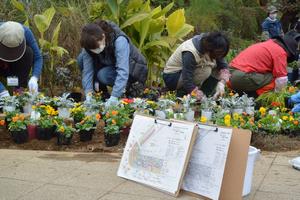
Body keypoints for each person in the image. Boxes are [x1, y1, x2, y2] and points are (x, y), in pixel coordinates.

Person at [77, 20, 147, 107]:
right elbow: (87, 71)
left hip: (132, 71)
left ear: (103, 36)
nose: (96, 51)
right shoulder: (89, 44)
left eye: (97, 47)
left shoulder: (119, 40)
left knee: (103, 75)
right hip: (110, 64)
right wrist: (88, 94)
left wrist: (114, 96)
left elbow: (122, 70)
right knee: (81, 59)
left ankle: (127, 88)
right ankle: (102, 92)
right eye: (93, 49)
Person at [229, 31, 300, 97]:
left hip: (229, 76)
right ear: (288, 51)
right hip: (241, 77)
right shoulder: (280, 52)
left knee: (268, 74)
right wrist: (280, 96)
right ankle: (257, 97)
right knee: (276, 77)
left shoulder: (268, 44)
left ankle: (241, 93)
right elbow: (281, 79)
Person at [163, 32, 230, 100]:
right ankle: (182, 94)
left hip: (183, 75)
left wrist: (222, 83)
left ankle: (206, 95)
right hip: (173, 77)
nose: (219, 56)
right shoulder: (190, 52)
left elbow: (223, 66)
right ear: (210, 48)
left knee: (218, 70)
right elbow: (187, 78)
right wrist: (195, 92)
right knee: (206, 70)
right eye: (218, 54)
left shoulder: (212, 45)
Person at [0, 21, 43, 98]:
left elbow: (38, 57)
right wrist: (2, 91)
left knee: (28, 52)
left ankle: (16, 87)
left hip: (12, 69)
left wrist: (34, 77)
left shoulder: (26, 32)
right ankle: (4, 89)